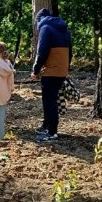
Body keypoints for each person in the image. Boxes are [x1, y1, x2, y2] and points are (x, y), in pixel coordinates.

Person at [30, 8, 72, 142]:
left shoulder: (45, 28)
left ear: (39, 21)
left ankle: (51, 132)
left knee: (49, 101)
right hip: (62, 70)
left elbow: (41, 52)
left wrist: (35, 70)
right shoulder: (64, 30)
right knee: (52, 99)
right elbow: (70, 52)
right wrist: (66, 68)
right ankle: (47, 125)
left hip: (50, 71)